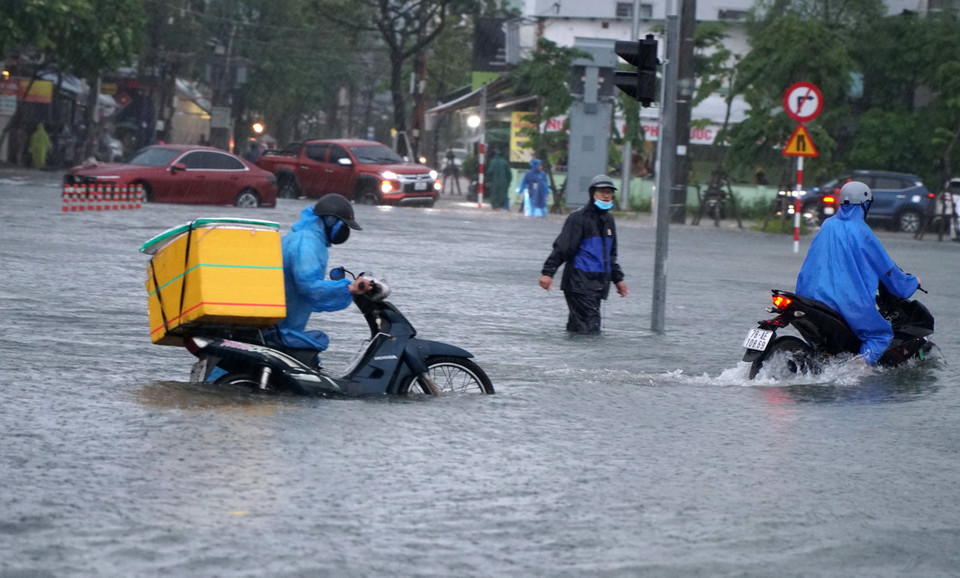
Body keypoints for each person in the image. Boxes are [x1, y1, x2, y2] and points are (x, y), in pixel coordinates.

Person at [795, 181, 920, 365]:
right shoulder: (862, 232)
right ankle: (858, 370)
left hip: (808, 297)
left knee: (817, 339)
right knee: (880, 335)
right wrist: (911, 282)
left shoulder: (827, 225)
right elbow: (887, 269)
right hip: (845, 302)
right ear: (865, 204)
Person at [273, 194, 371, 353]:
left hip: (282, 322)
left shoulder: (307, 238)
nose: (345, 231)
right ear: (331, 220)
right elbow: (308, 286)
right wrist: (349, 288)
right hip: (280, 327)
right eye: (344, 226)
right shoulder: (306, 243)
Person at [539, 174, 628, 334]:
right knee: (590, 330)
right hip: (579, 283)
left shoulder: (608, 221)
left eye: (609, 192)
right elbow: (563, 247)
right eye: (602, 192)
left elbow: (610, 255)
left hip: (597, 285)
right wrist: (548, 272)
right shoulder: (579, 218)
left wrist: (618, 279)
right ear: (593, 194)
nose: (606, 196)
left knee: (578, 329)